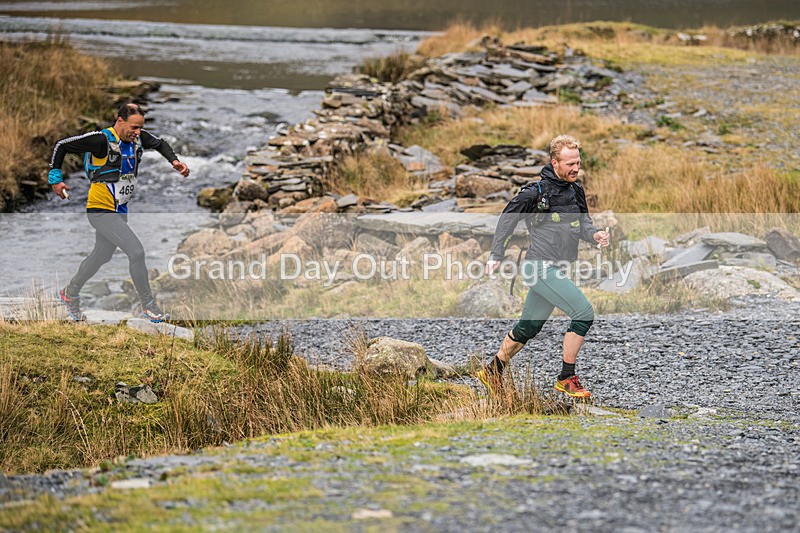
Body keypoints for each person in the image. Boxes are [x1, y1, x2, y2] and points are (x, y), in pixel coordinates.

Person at [477, 134, 610, 398]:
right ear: (554, 162)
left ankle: (492, 371)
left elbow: (584, 223)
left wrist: (594, 235)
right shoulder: (535, 192)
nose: (575, 168)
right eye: (569, 163)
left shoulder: (576, 191)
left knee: (529, 327)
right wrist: (496, 254)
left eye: (578, 163)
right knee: (583, 313)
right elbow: (507, 218)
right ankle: (566, 377)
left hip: (557, 269)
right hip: (539, 267)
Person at [48, 102, 190, 322]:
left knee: (101, 256)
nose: (138, 132)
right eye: (134, 127)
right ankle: (149, 306)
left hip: (120, 209)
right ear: (120, 121)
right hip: (101, 210)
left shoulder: (137, 138)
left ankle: (69, 293)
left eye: (140, 128)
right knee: (136, 252)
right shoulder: (101, 140)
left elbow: (161, 144)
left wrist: (175, 162)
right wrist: (56, 180)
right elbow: (62, 146)